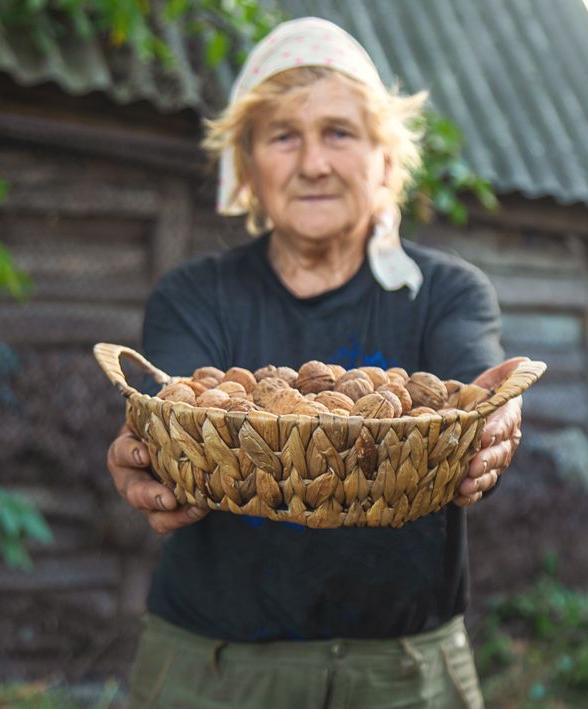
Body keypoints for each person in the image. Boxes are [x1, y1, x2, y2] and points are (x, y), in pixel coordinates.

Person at [105, 16, 526, 708]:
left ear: (384, 159)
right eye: (282, 136)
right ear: (245, 165)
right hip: (214, 668)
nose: (313, 163)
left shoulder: (447, 291)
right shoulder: (194, 294)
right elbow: (168, 403)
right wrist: (150, 448)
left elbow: (480, 380)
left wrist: (500, 407)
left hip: (403, 670)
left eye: (339, 132)